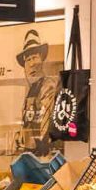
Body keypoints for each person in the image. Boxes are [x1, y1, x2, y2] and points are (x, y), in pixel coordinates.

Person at [15, 28, 57, 156]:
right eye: (28, 60)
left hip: (43, 156)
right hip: (32, 155)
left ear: (42, 60)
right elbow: (26, 126)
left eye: (35, 57)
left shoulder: (48, 86)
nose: (32, 64)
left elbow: (45, 128)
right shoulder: (31, 91)